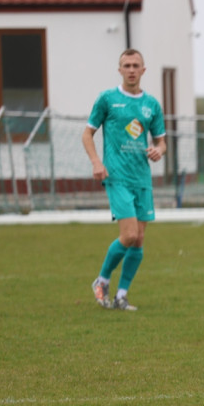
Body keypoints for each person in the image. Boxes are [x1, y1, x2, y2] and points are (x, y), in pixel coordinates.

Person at [83, 48, 167, 312]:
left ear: (143, 70)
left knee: (139, 239)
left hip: (141, 178)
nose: (131, 70)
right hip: (116, 176)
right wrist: (97, 162)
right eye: (126, 65)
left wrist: (159, 150)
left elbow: (161, 141)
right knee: (129, 234)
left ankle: (121, 295)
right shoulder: (107, 99)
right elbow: (87, 134)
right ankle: (102, 279)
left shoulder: (151, 105)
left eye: (135, 65)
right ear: (119, 70)